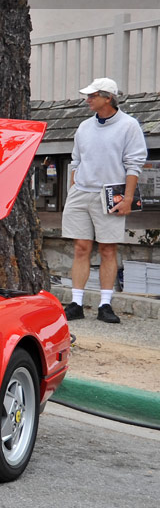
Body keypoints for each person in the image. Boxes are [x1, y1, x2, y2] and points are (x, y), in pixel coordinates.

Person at [63, 77, 147, 324]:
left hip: (110, 193)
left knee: (108, 249)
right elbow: (75, 161)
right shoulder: (84, 127)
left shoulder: (129, 126)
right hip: (81, 193)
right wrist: (73, 190)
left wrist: (128, 198)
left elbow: (134, 164)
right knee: (81, 247)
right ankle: (76, 303)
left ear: (107, 97)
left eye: (92, 96)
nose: (88, 99)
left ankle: (105, 304)